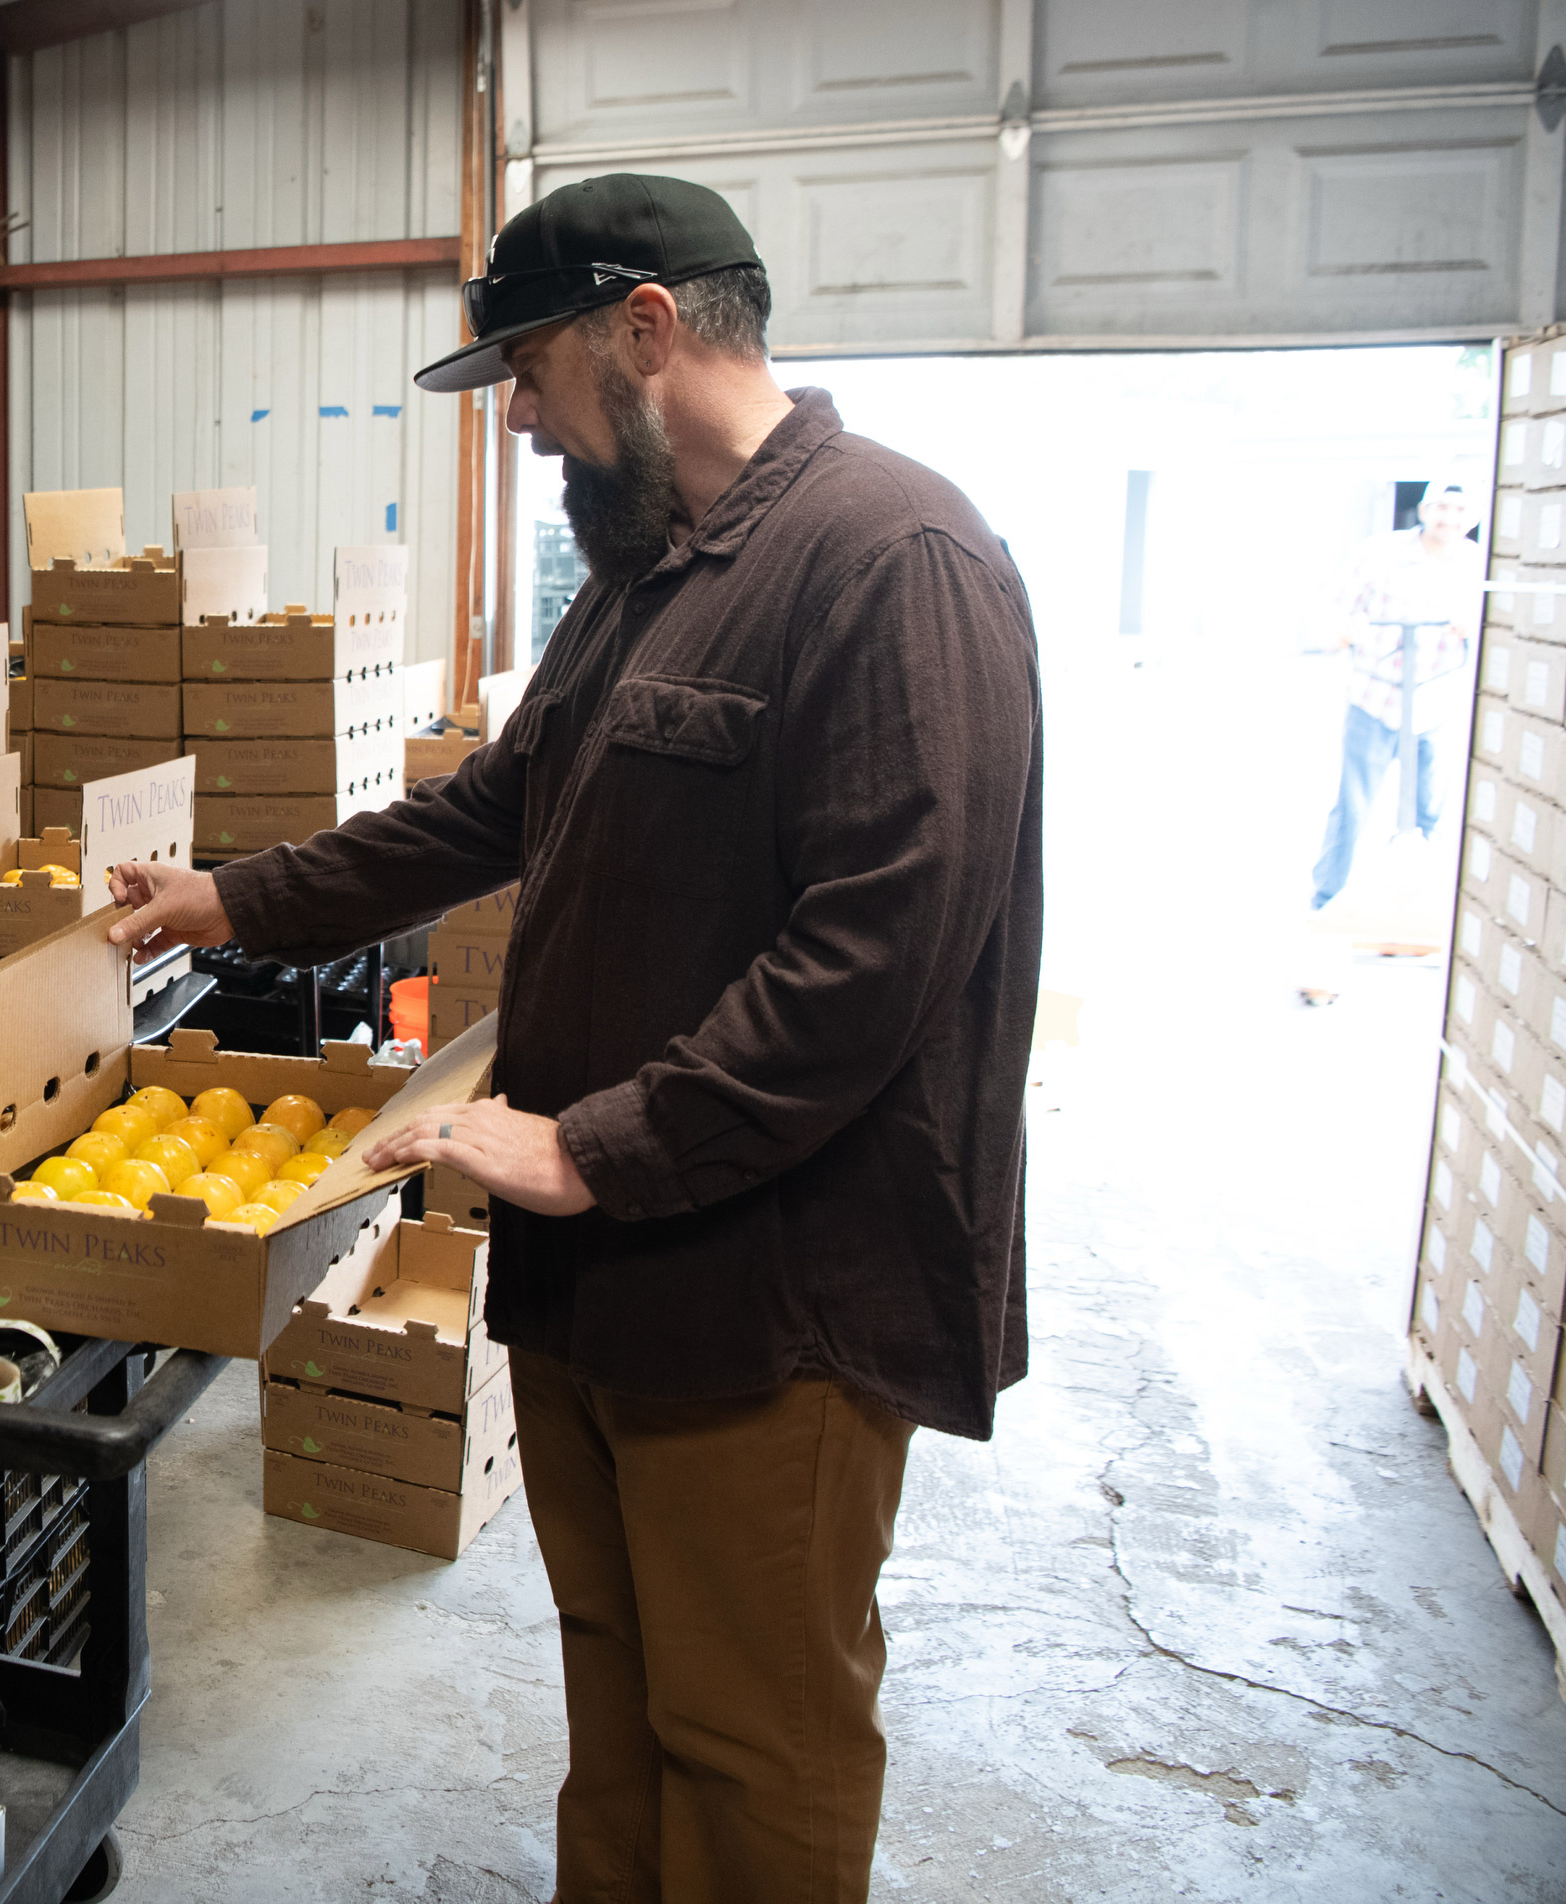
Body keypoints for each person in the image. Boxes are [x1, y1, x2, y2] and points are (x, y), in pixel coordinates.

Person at [108, 174, 1043, 1904]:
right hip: (603, 1276)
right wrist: (229, 900)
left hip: (772, 1296)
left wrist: (586, 1142)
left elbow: (878, 949)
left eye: (526, 375)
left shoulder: (891, 555)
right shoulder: (640, 579)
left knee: (754, 1733)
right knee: (620, 1691)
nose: (523, 424)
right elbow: (488, 811)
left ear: (645, 325)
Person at [1309, 481, 1482, 910]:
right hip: (1376, 696)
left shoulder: (1476, 563)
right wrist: (1345, 629)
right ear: (1424, 510)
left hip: (1434, 699)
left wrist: (1471, 626)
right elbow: (1336, 607)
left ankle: (1426, 903)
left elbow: (1493, 625)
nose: (1450, 519)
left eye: (1460, 510)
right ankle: (1326, 899)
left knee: (1428, 812)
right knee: (1355, 804)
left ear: (1472, 518)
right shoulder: (1379, 553)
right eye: (1442, 507)